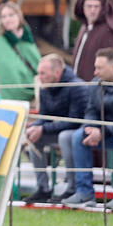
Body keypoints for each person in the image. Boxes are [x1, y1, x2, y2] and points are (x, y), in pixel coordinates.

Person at [63, 48, 113, 210]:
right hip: (106, 132)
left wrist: (102, 131)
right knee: (78, 136)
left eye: (100, 68)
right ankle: (83, 192)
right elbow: (90, 111)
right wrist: (91, 128)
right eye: (95, 67)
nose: (95, 72)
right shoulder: (94, 85)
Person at [24, 54, 88, 203]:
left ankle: (72, 189)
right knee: (32, 135)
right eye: (39, 73)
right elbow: (44, 118)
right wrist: (36, 127)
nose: (39, 77)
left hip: (79, 132)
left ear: (57, 73)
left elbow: (74, 121)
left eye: (43, 73)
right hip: (60, 130)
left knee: (64, 136)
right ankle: (43, 189)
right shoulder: (45, 87)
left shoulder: (77, 87)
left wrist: (43, 128)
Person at [0, 1, 40, 102]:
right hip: (6, 97)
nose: (7, 19)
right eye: (3, 17)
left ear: (19, 16)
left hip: (32, 96)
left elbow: (38, 67)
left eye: (11, 15)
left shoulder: (28, 41)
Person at [71, 0, 113, 84]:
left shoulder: (109, 30)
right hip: (79, 85)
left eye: (96, 6)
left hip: (97, 88)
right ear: (83, 8)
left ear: (102, 8)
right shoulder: (84, 27)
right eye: (89, 6)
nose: (92, 10)